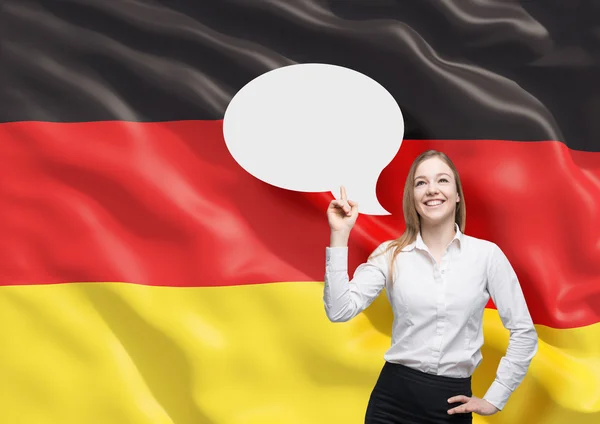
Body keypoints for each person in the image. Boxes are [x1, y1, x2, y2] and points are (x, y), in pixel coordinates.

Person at [323, 150, 538, 423]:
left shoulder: (487, 256)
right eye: (421, 182)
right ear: (412, 197)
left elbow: (523, 332)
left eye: (442, 180)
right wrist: (339, 234)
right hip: (392, 402)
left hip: (451, 407)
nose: (432, 190)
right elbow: (339, 310)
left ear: (458, 194)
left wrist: (496, 397)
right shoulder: (390, 254)